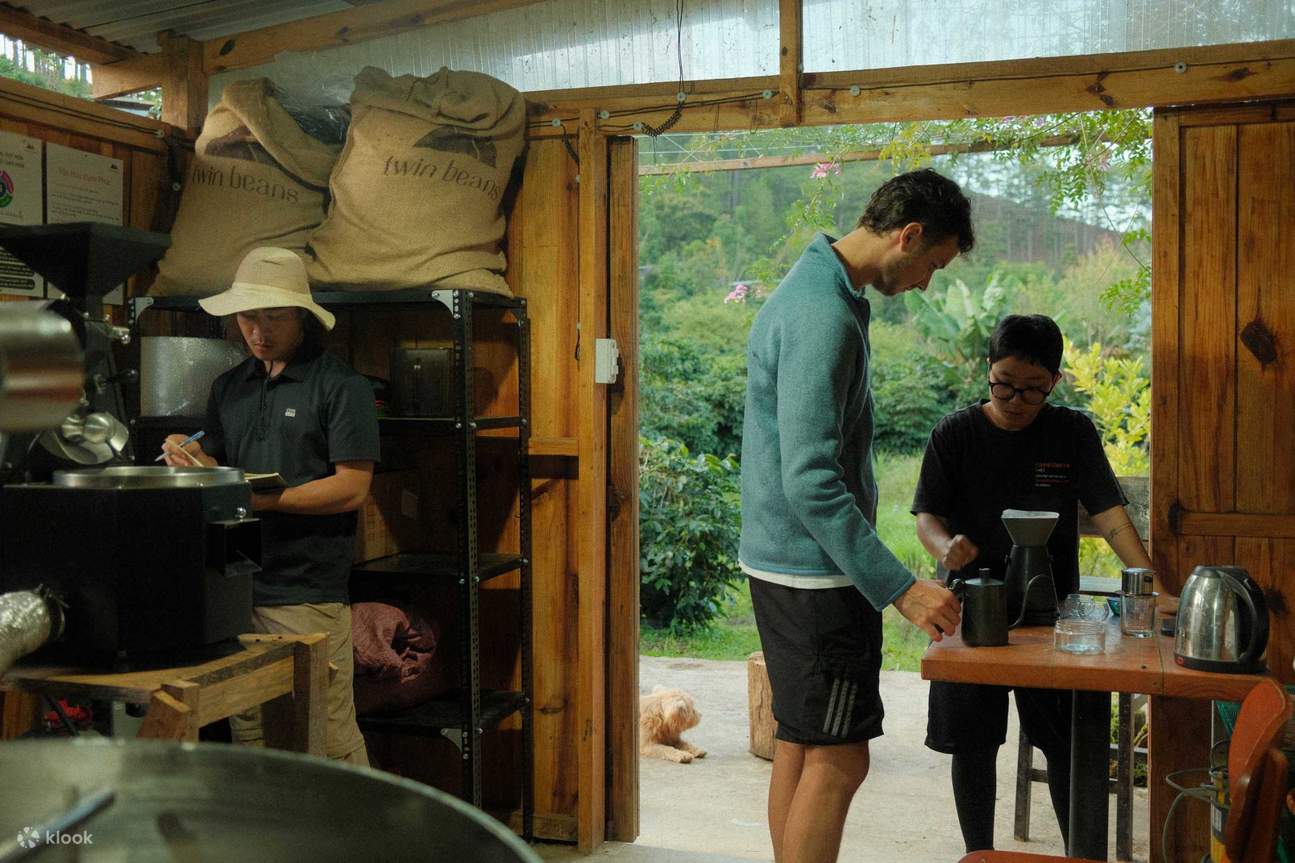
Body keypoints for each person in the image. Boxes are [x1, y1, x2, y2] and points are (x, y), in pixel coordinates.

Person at [739, 168, 972, 863]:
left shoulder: (816, 289)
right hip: (815, 578)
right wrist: (901, 586)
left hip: (785, 563)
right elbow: (810, 478)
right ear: (906, 235)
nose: (927, 282)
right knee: (840, 760)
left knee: (801, 744)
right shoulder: (823, 314)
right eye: (931, 263)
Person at [912, 313, 1154, 854]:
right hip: (969, 616)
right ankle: (980, 854)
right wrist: (943, 547)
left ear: (1055, 382)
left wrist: (1147, 580)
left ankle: (1079, 856)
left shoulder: (1070, 432)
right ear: (987, 369)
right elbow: (927, 516)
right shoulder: (955, 434)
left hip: (1053, 621)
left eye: (1032, 390)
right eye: (1003, 384)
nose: (1015, 400)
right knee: (974, 746)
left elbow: (1110, 513)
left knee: (1069, 744)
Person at [161, 246, 379, 765]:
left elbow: (352, 487)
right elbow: (220, 456)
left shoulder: (341, 386)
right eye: (248, 317)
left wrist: (266, 499)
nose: (258, 331)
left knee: (324, 736)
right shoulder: (230, 386)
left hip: (305, 588)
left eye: (273, 317)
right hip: (236, 584)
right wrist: (191, 455)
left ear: (301, 316)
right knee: (252, 734)